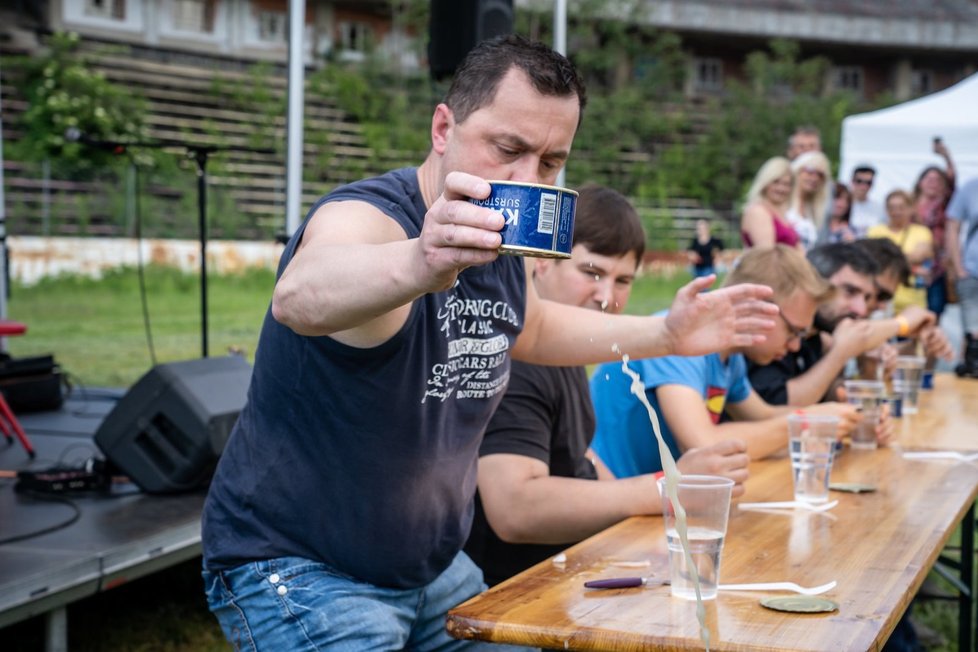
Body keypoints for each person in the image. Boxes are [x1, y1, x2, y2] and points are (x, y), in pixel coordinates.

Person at [199, 35, 777, 651]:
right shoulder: (372, 217)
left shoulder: (499, 241)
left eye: (551, 163)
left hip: (434, 570)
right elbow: (300, 296)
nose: (527, 179)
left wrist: (663, 333)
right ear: (443, 128)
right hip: (301, 567)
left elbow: (532, 327)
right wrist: (421, 262)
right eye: (508, 148)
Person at [464, 185, 750, 587]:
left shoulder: (568, 356)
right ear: (542, 263)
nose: (606, 296)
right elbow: (515, 509)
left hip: (571, 571)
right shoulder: (518, 358)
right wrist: (667, 490)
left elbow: (579, 458)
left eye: (623, 280)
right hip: (513, 596)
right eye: (592, 272)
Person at [590, 245, 866, 479]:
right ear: (753, 305)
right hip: (605, 508)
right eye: (794, 331)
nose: (795, 346)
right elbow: (701, 445)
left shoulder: (729, 357)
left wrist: (839, 418)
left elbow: (764, 416)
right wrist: (805, 422)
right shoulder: (679, 336)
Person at [748, 243, 935, 407]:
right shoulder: (772, 331)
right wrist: (902, 324)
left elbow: (826, 395)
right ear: (816, 282)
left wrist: (864, 375)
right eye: (850, 291)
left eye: (867, 298)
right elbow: (780, 404)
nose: (861, 309)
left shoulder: (814, 338)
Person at [868, 190, 934, 313]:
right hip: (881, 302)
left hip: (912, 302)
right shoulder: (875, 231)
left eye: (901, 207)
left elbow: (919, 255)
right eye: (892, 208)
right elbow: (871, 261)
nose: (896, 212)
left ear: (911, 209)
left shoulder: (922, 232)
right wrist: (913, 269)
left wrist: (886, 259)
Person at [913, 157, 955, 318]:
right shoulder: (909, 205)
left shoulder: (944, 205)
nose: (933, 183)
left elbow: (952, 181)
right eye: (929, 178)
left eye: (938, 180)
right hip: (912, 266)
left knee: (934, 310)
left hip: (937, 267)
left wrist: (946, 156)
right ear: (920, 182)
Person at [945, 176, 978, 378]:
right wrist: (958, 267)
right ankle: (971, 362)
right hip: (972, 270)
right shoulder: (971, 187)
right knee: (973, 326)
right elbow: (952, 225)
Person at [740, 156, 800, 249]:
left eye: (786, 184)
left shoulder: (783, 213)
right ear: (765, 182)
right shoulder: (758, 211)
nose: (781, 188)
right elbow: (768, 255)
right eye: (776, 182)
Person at [786, 150, 831, 250]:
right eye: (810, 171)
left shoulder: (815, 210)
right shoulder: (782, 200)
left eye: (820, 175)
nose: (815, 178)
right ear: (797, 170)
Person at [847, 165, 886, 237]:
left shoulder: (880, 208)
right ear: (852, 181)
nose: (863, 186)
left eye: (868, 183)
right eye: (859, 181)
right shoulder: (842, 206)